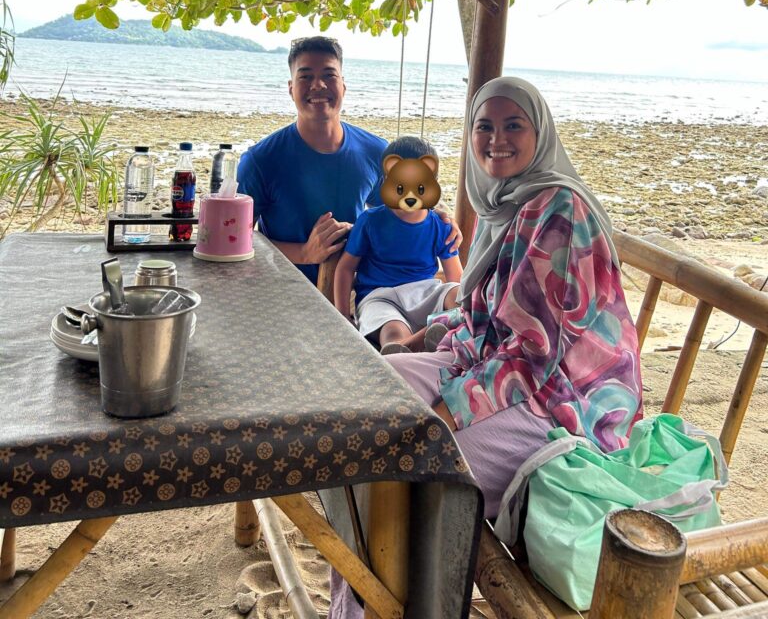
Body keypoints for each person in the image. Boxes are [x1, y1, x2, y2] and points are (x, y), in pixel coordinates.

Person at [388, 76, 643, 520]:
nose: (496, 139)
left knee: (426, 468)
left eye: (514, 126)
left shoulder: (559, 211)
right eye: (484, 126)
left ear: (539, 133)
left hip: (566, 398)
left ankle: (408, 590)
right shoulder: (503, 205)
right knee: (377, 395)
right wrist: (418, 340)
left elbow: (534, 355)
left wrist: (447, 411)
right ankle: (364, 589)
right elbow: (482, 316)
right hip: (496, 365)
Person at [236, 37, 460, 283]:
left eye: (329, 75)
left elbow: (396, 210)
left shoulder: (377, 152)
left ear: (343, 86)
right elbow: (235, 237)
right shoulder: (260, 159)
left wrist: (439, 219)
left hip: (358, 292)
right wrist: (304, 253)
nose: (318, 85)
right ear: (291, 88)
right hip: (282, 290)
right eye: (306, 76)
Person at [333, 135, 463, 353]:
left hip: (425, 292)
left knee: (458, 295)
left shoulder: (441, 226)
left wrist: (460, 301)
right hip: (381, 296)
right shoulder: (370, 221)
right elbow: (346, 268)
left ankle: (426, 336)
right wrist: (343, 315)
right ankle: (408, 344)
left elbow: (456, 277)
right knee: (392, 329)